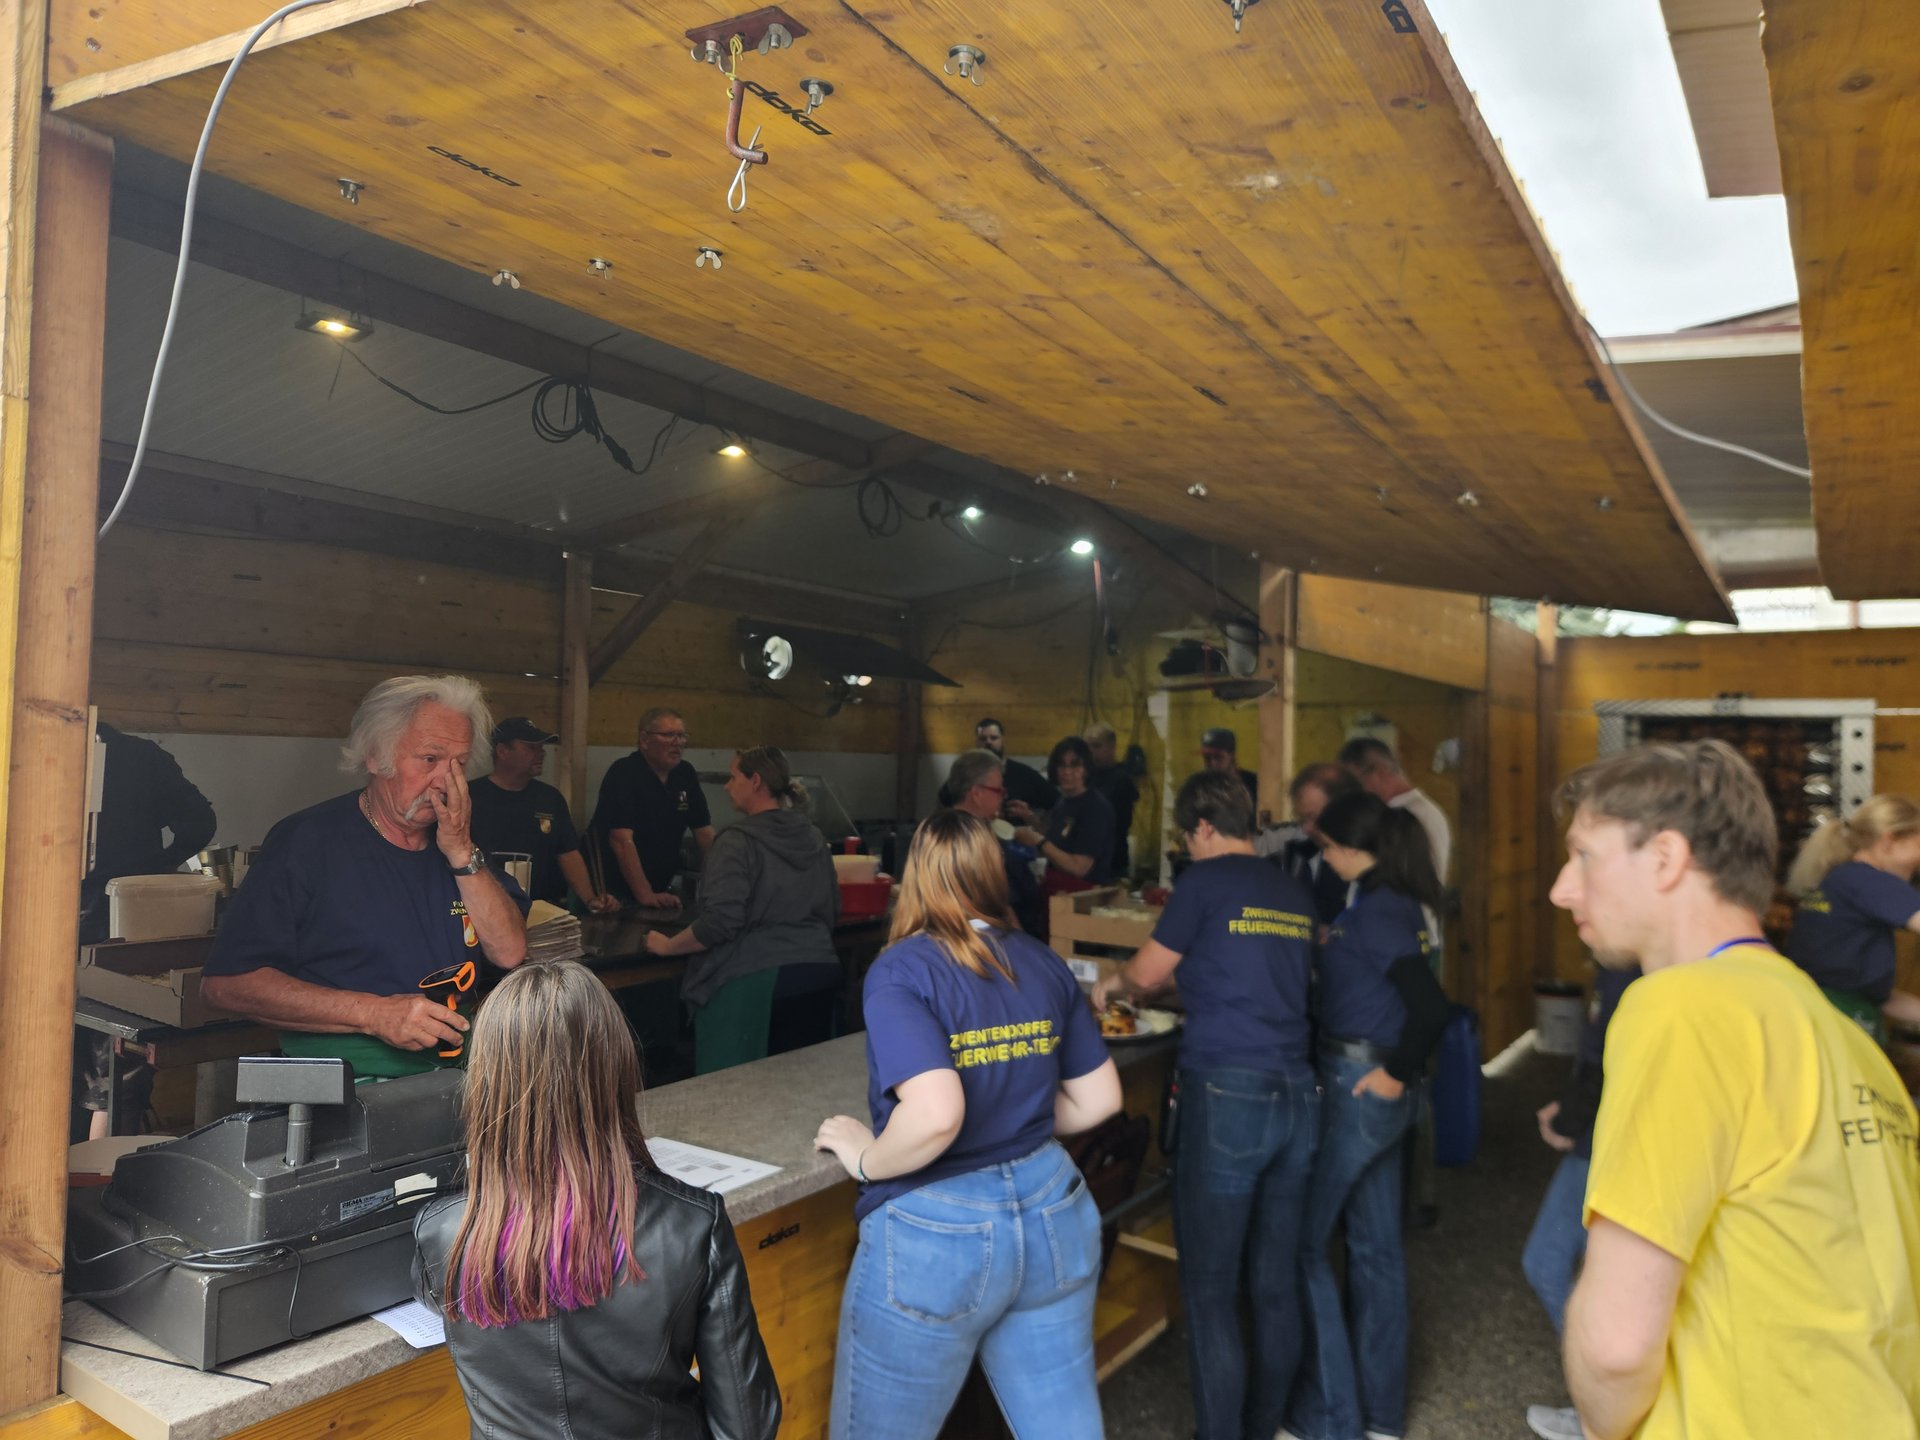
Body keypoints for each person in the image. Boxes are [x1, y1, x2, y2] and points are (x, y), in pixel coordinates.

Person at [1553, 740, 1920, 1440]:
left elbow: (1616, 1347)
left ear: (1666, 858)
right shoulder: (1842, 1036)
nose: (1562, 889)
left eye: (1584, 856)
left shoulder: (1681, 1009)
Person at [813, 810, 1121, 1439]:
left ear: (915, 877)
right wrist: (1021, 1112)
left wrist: (866, 1157)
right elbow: (1100, 1099)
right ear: (993, 873)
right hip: (1053, 1207)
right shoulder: (1041, 960)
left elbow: (936, 1114)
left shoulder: (901, 968)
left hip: (939, 1228)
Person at [413, 959, 780, 1440]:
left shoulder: (440, 1232)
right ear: (617, 1067)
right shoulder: (694, 1226)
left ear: (486, 1083)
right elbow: (748, 1426)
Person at [1094, 771, 1318, 1440]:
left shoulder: (1203, 882)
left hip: (1227, 1093)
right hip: (1298, 1093)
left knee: (1212, 1290)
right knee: (1275, 1282)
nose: (1187, 849)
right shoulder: (1292, 889)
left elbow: (1146, 973)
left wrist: (1112, 985)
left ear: (1202, 828)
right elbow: (1252, 977)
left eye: (1186, 838)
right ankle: (1266, 1425)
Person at [201, 675, 528, 1078]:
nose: (447, 781)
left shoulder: (458, 838)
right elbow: (227, 985)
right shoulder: (307, 841)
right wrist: (375, 1014)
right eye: (430, 759)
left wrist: (461, 852)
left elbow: (509, 952)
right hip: (345, 1082)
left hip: (457, 1076)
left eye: (458, 764)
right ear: (375, 757)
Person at [1286, 793, 1450, 1440]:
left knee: (1304, 1245)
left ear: (1354, 848)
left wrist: (1393, 1074)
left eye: (1328, 847)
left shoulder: (1379, 910)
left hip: (1362, 1083)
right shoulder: (1391, 901)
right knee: (1376, 1250)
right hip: (1377, 1089)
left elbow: (1431, 1008)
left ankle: (1326, 1416)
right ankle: (1380, 1416)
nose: (1325, 858)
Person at [644, 746, 840, 1073]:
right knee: (803, 1084)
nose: (726, 786)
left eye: (734, 777)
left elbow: (720, 922)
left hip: (755, 982)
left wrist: (668, 946)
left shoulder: (737, 841)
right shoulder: (814, 836)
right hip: (819, 970)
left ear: (756, 781)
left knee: (738, 1092)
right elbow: (832, 907)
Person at [73, 721, 220, 1139]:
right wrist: (159, 868)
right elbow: (199, 823)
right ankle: (102, 1175)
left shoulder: (30, 751)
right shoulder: (141, 756)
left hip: (45, 924)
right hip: (126, 927)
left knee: (49, 1057)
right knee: (118, 1070)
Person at [1519, 963, 1639, 1440]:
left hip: (1608, 1142)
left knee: (1547, 1261)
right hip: (1618, 1136)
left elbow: (1604, 1062)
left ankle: (1608, 1412)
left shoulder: (1626, 969)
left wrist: (1570, 1119)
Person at [1782, 794, 1920, 1042]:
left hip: (1814, 1014)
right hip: (1842, 1021)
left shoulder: (1838, 881)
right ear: (1889, 840)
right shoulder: (1870, 881)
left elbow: (1878, 997)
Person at [468, 716, 616, 913]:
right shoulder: (469, 797)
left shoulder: (550, 798)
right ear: (502, 751)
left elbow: (568, 853)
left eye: (541, 747)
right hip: (480, 907)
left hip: (541, 910)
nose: (541, 753)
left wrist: (590, 900)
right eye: (531, 747)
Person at [591, 707, 714, 909]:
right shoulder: (624, 773)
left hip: (659, 887)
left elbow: (705, 833)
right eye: (668, 735)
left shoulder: (685, 774)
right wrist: (645, 894)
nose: (677, 742)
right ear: (644, 739)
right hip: (611, 893)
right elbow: (620, 840)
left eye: (682, 735)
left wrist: (728, 881)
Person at [1012, 736, 1115, 940]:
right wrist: (1030, 817)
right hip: (1057, 897)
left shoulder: (1095, 808)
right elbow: (1059, 837)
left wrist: (1039, 842)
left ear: (1086, 769)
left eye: (1075, 765)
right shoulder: (1064, 802)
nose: (1067, 772)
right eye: (1062, 765)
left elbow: (1080, 867)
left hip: (1081, 903)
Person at [946, 748, 1043, 934]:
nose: (1003, 797)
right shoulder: (970, 840)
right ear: (976, 794)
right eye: (998, 790)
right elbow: (1002, 907)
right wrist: (1023, 946)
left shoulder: (975, 831)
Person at [1257, 761, 1364, 924]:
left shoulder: (1378, 866)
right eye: (1301, 818)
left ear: (1346, 809)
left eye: (1313, 817)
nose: (1306, 829)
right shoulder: (1298, 850)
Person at [1337, 737, 1451, 888]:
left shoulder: (1414, 814)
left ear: (1379, 772)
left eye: (1354, 785)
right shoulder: (1406, 811)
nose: (1353, 795)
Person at [1085, 721, 1139, 880]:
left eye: (1096, 746)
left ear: (1112, 747)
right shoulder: (1084, 778)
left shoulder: (1121, 780)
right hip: (1085, 861)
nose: (1090, 751)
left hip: (1111, 863)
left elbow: (1115, 824)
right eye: (1087, 747)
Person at [974, 715, 1059, 818]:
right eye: (983, 739)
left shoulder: (1024, 774)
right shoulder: (966, 775)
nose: (988, 742)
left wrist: (1030, 817)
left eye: (994, 738)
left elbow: (1056, 801)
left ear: (1002, 740)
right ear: (977, 742)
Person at [1200, 727, 1259, 807]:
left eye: (1218, 757)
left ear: (1232, 756)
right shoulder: (1199, 789)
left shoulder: (1254, 784)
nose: (1212, 763)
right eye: (1207, 758)